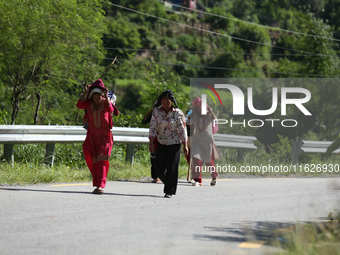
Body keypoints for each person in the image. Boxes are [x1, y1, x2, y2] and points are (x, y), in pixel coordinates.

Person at [76, 79, 119, 194]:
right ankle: (97, 181)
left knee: (102, 159)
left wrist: (105, 96)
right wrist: (84, 94)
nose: (96, 100)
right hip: (92, 136)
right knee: (89, 154)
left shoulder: (106, 103)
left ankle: (100, 185)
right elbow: (79, 105)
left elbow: (110, 109)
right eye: (94, 97)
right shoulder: (89, 104)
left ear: (102, 96)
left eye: (98, 97)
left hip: (105, 136)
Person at [149, 90, 188, 198]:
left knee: (172, 167)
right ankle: (170, 183)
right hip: (161, 142)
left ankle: (169, 191)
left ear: (171, 101)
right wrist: (151, 142)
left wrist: (185, 144)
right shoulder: (157, 111)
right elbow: (152, 127)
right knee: (159, 168)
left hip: (175, 143)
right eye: (163, 102)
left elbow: (182, 129)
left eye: (167, 102)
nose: (165, 104)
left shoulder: (178, 113)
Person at [187, 97, 221, 186]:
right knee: (196, 159)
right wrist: (192, 112)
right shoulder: (195, 114)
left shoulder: (209, 114)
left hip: (207, 140)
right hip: (197, 140)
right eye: (198, 107)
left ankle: (214, 177)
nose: (199, 108)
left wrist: (211, 110)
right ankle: (198, 180)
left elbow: (216, 120)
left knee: (208, 160)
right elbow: (188, 122)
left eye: (201, 106)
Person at [142, 108, 162, 184]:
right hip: (154, 138)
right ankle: (155, 177)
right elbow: (143, 121)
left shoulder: (169, 113)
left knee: (163, 158)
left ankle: (162, 176)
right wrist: (148, 113)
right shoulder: (154, 114)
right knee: (154, 158)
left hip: (165, 138)